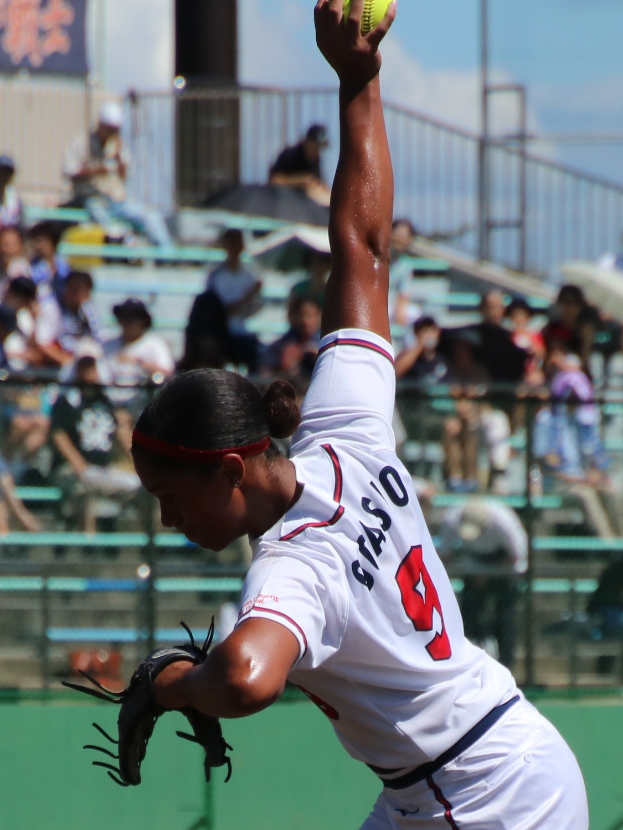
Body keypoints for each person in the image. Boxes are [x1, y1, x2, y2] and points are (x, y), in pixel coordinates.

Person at [130, 5, 587, 828]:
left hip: (476, 796)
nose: (168, 520)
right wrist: (358, 80)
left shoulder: (295, 564)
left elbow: (245, 681)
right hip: (480, 763)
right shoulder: (345, 431)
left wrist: (170, 684)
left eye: (172, 497)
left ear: (231, 468)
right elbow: (365, 251)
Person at [50, 350, 140, 532]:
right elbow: (59, 436)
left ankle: (148, 541)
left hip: (104, 471)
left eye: (91, 368)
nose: (88, 374)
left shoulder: (108, 403)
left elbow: (124, 436)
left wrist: (139, 463)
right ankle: (89, 541)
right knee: (83, 486)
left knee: (140, 486)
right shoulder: (66, 402)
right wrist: (80, 466)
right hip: (72, 471)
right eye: (83, 368)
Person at [63, 102, 172, 248]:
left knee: (151, 217)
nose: (112, 134)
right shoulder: (81, 143)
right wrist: (95, 171)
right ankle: (118, 246)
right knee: (102, 218)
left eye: (115, 130)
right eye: (109, 129)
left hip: (117, 200)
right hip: (92, 198)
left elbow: (123, 177)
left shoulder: (118, 146)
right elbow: (69, 172)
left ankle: (167, 254)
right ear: (101, 125)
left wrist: (119, 159)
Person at [438, 499, 527, 669]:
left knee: (505, 619)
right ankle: (467, 663)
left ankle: (506, 665)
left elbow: (516, 557)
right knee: (468, 618)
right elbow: (445, 555)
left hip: (503, 570)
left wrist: (489, 573)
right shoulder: (451, 519)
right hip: (472, 567)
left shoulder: (505, 522)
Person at [206, 229, 263, 373]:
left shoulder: (249, 275)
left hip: (242, 332)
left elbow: (255, 307)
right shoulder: (216, 276)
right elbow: (219, 311)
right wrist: (249, 295)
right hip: (220, 334)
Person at [103, 298, 174, 404]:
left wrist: (139, 363)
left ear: (143, 321)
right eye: (125, 317)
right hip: (110, 402)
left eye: (133, 318)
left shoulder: (155, 344)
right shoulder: (108, 345)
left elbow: (167, 373)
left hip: (143, 403)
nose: (128, 322)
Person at [269, 124, 332, 206]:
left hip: (306, 204)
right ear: (307, 142)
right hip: (283, 201)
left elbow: (319, 182)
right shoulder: (290, 155)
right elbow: (274, 180)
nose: (317, 150)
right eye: (315, 146)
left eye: (319, 147)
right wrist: (299, 181)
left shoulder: (315, 160)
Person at [264, 295, 321, 377]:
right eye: (301, 315)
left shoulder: (326, 345)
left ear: (319, 316)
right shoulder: (279, 347)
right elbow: (265, 374)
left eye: (309, 316)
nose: (305, 321)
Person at [28, 221, 71, 298]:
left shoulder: (63, 265)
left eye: (39, 241)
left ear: (51, 241)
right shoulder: (31, 266)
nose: (37, 246)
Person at [0, 155, 23, 229]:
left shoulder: (15, 199)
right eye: (2, 171)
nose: (5, 176)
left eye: (8, 172)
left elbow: (20, 225)